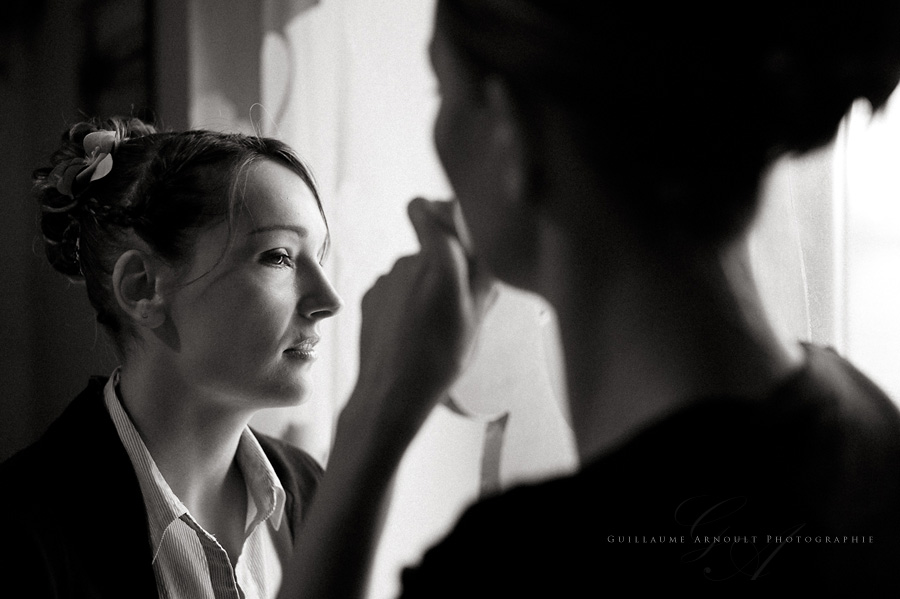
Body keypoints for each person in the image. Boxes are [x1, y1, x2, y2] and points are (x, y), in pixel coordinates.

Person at [279, 0, 900, 596]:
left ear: (511, 131)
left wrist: (375, 414)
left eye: (441, 90)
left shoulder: (526, 568)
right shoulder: (870, 425)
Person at [0, 117, 343, 598]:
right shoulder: (20, 536)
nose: (328, 299)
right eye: (279, 256)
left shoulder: (311, 493)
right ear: (142, 287)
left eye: (320, 258)